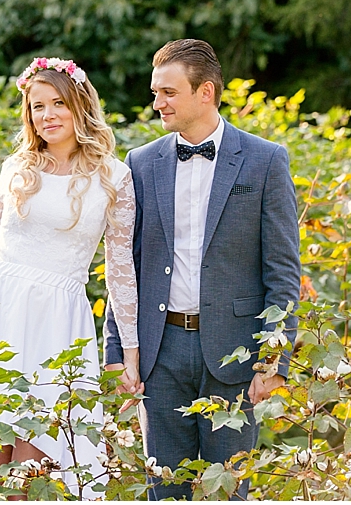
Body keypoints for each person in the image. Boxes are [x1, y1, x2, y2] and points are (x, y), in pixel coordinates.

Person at [103, 39, 301, 500]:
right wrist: (117, 350)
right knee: (164, 489)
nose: (158, 104)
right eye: (155, 93)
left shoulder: (265, 159)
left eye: (168, 93)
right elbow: (124, 266)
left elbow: (283, 271)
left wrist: (274, 361)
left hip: (234, 355)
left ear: (206, 92)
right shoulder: (141, 163)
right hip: (161, 353)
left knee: (229, 491)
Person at [0, 57, 141, 497]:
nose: (47, 115)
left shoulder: (115, 177)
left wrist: (131, 352)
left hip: (56, 320)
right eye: (36, 107)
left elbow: (120, 271)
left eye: (58, 104)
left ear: (80, 105)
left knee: (36, 464)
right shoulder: (17, 168)